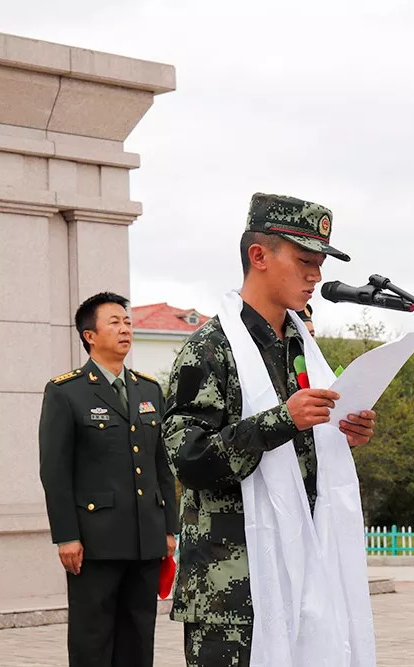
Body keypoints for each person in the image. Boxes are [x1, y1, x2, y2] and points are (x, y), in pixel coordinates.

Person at [163, 193, 377, 666]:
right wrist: (283, 420)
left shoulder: (300, 348)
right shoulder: (211, 349)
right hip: (233, 589)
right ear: (258, 256)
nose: (315, 276)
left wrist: (342, 433)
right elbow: (189, 459)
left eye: (319, 264)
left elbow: (301, 455)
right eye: (304, 260)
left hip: (300, 572)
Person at [39, 292, 179, 667]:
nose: (125, 329)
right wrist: (66, 535)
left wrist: (169, 528)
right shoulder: (66, 392)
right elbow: (54, 471)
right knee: (93, 641)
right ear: (89, 335)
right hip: (95, 541)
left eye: (128, 322)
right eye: (114, 322)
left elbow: (160, 464)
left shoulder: (148, 389)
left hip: (145, 538)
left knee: (138, 638)